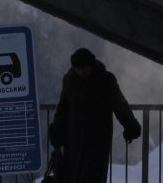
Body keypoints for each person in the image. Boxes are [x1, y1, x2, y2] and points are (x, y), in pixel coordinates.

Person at [48, 48, 141, 183]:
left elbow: (120, 105)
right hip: (74, 142)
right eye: (78, 68)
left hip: (96, 143)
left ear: (91, 66)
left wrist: (130, 125)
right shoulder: (69, 80)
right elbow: (62, 110)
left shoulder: (105, 80)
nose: (81, 72)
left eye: (84, 68)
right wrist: (57, 135)